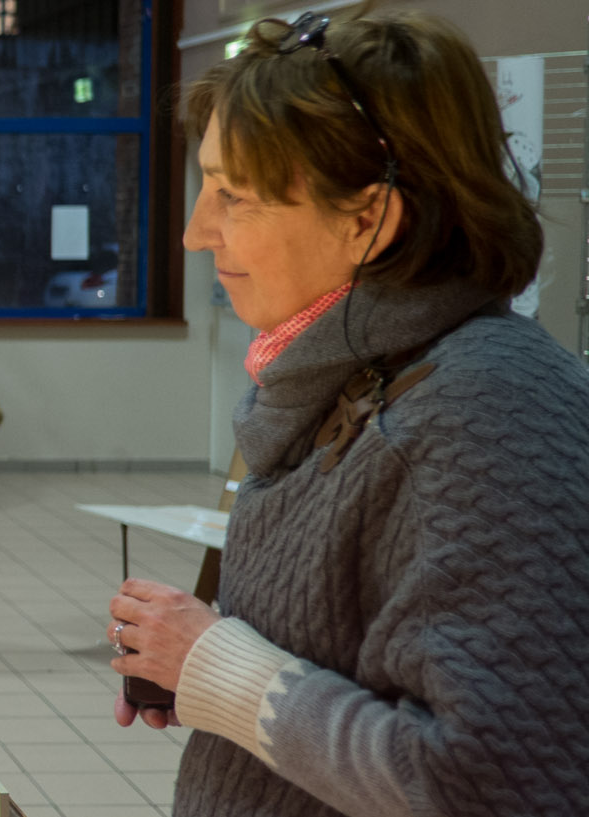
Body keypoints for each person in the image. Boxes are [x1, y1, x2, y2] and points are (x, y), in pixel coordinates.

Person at [106, 8, 589, 815]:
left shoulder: (481, 410)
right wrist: (198, 665)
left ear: (368, 219)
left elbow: (487, 782)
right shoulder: (366, 377)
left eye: (233, 196)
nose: (196, 232)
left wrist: (221, 665)